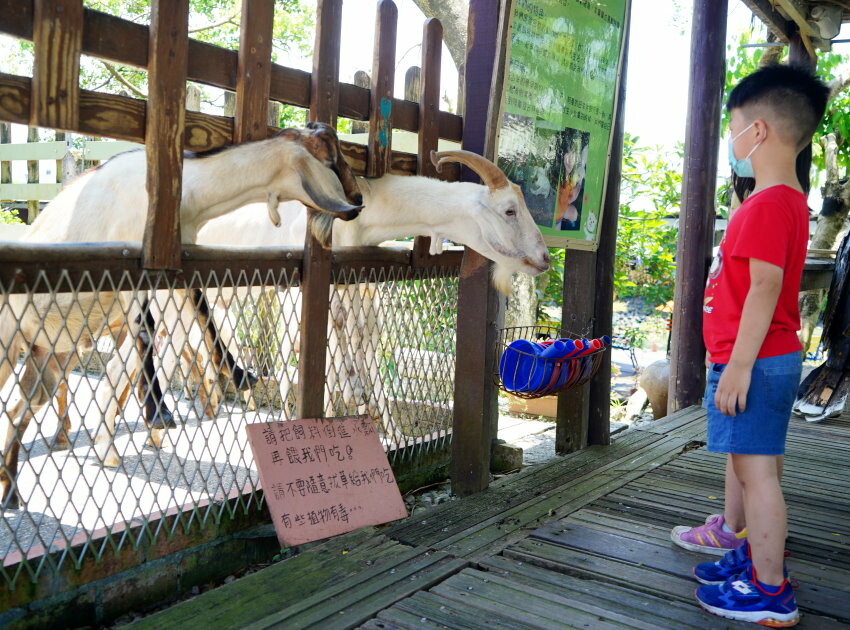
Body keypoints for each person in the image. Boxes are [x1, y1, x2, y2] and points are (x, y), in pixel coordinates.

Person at [669, 64, 829, 626]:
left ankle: (769, 590)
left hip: (754, 363)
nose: (731, 142)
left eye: (733, 128)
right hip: (767, 359)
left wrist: (737, 366)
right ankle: (755, 558)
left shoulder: (765, 206)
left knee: (757, 475)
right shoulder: (786, 200)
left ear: (757, 131)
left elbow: (764, 287)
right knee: (755, 468)